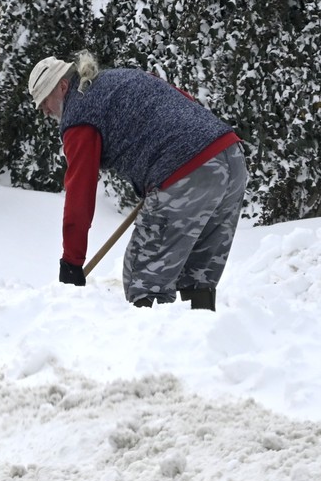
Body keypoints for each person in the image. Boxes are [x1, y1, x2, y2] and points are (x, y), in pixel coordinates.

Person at [27, 51, 247, 310]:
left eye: (44, 101)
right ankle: (201, 339)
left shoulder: (79, 114)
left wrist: (71, 263)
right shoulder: (120, 78)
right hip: (231, 158)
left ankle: (154, 347)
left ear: (63, 86)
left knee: (143, 277)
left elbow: (80, 194)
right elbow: (182, 100)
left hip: (186, 171)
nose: (44, 111)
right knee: (198, 275)